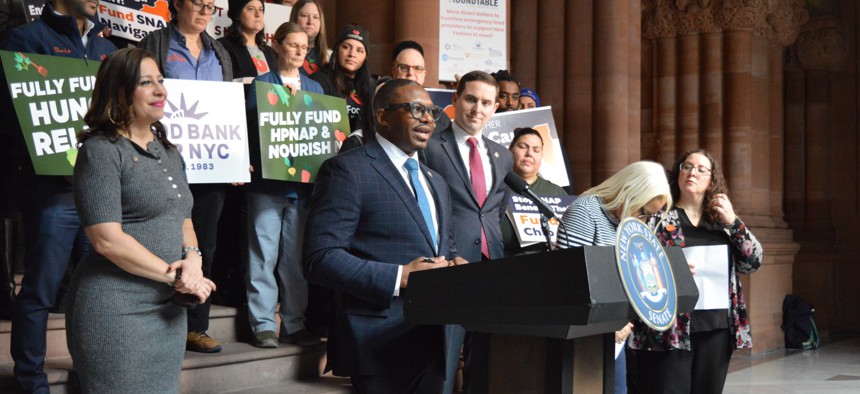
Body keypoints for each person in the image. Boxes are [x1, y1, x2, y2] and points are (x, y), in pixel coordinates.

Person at [66, 47, 216, 393]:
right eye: (146, 83)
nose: (160, 90)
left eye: (160, 81)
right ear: (120, 92)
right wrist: (175, 276)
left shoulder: (170, 152)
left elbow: (183, 218)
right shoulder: (100, 151)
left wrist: (193, 260)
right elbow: (106, 240)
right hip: (115, 309)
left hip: (168, 310)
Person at [304, 79, 466, 393]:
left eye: (432, 112)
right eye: (416, 110)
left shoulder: (437, 181)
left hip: (437, 338)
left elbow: (446, 247)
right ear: (383, 116)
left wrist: (456, 264)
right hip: (378, 340)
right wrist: (399, 276)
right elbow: (319, 258)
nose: (428, 119)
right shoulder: (347, 170)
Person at [2, 0, 117, 390]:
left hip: (100, 193)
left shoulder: (107, 49)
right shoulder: (25, 40)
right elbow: (16, 117)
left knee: (95, 292)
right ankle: (31, 381)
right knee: (41, 287)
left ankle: (92, 376)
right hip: (51, 192)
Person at [138, 0, 233, 353]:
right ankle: (153, 321)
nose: (206, 11)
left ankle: (196, 327)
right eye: (199, 3)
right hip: (163, 158)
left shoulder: (219, 52)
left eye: (211, 6)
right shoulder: (155, 44)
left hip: (212, 166)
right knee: (160, 238)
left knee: (204, 244)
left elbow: (228, 109)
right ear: (177, 4)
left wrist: (236, 157)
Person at [631, 149, 763, 394]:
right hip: (670, 326)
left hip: (715, 326)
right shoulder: (658, 218)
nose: (693, 172)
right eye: (687, 166)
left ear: (712, 181)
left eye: (702, 169)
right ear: (678, 174)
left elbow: (752, 262)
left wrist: (734, 223)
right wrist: (667, 271)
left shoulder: (722, 222)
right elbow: (636, 263)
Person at [420, 70, 513, 394]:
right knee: (444, 356)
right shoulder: (431, 147)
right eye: (471, 99)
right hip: (449, 263)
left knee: (486, 358)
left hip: (491, 266)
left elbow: (495, 209)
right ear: (455, 99)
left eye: (486, 102)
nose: (477, 109)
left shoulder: (503, 155)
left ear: (495, 108)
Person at [556, 160, 673, 394]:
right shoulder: (585, 211)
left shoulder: (626, 222)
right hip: (586, 335)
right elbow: (570, 281)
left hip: (616, 333)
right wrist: (608, 326)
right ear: (629, 192)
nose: (643, 220)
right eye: (642, 211)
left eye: (649, 216)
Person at [243, 21, 323, 348]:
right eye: (293, 45)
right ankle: (263, 324)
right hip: (266, 186)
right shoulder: (261, 85)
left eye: (305, 47)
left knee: (295, 259)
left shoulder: (316, 89)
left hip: (302, 189)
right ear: (276, 45)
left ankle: (294, 323)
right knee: (262, 255)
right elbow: (250, 132)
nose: (300, 51)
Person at [500, 127, 567, 256]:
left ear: (541, 156)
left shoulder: (557, 193)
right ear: (510, 150)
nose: (529, 153)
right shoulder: (493, 189)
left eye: (536, 150)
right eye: (522, 147)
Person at [312, 23, 372, 137]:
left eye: (359, 50)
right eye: (346, 47)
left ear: (366, 57)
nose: (352, 54)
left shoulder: (370, 85)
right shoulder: (320, 80)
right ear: (336, 50)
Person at [218, 0, 277, 90]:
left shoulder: (270, 52)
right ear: (237, 15)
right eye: (251, 9)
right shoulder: (223, 46)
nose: (258, 14)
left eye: (261, 9)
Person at [288, 0, 328, 76]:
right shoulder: (281, 53)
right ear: (295, 19)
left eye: (315, 17)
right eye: (304, 16)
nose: (310, 22)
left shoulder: (328, 58)